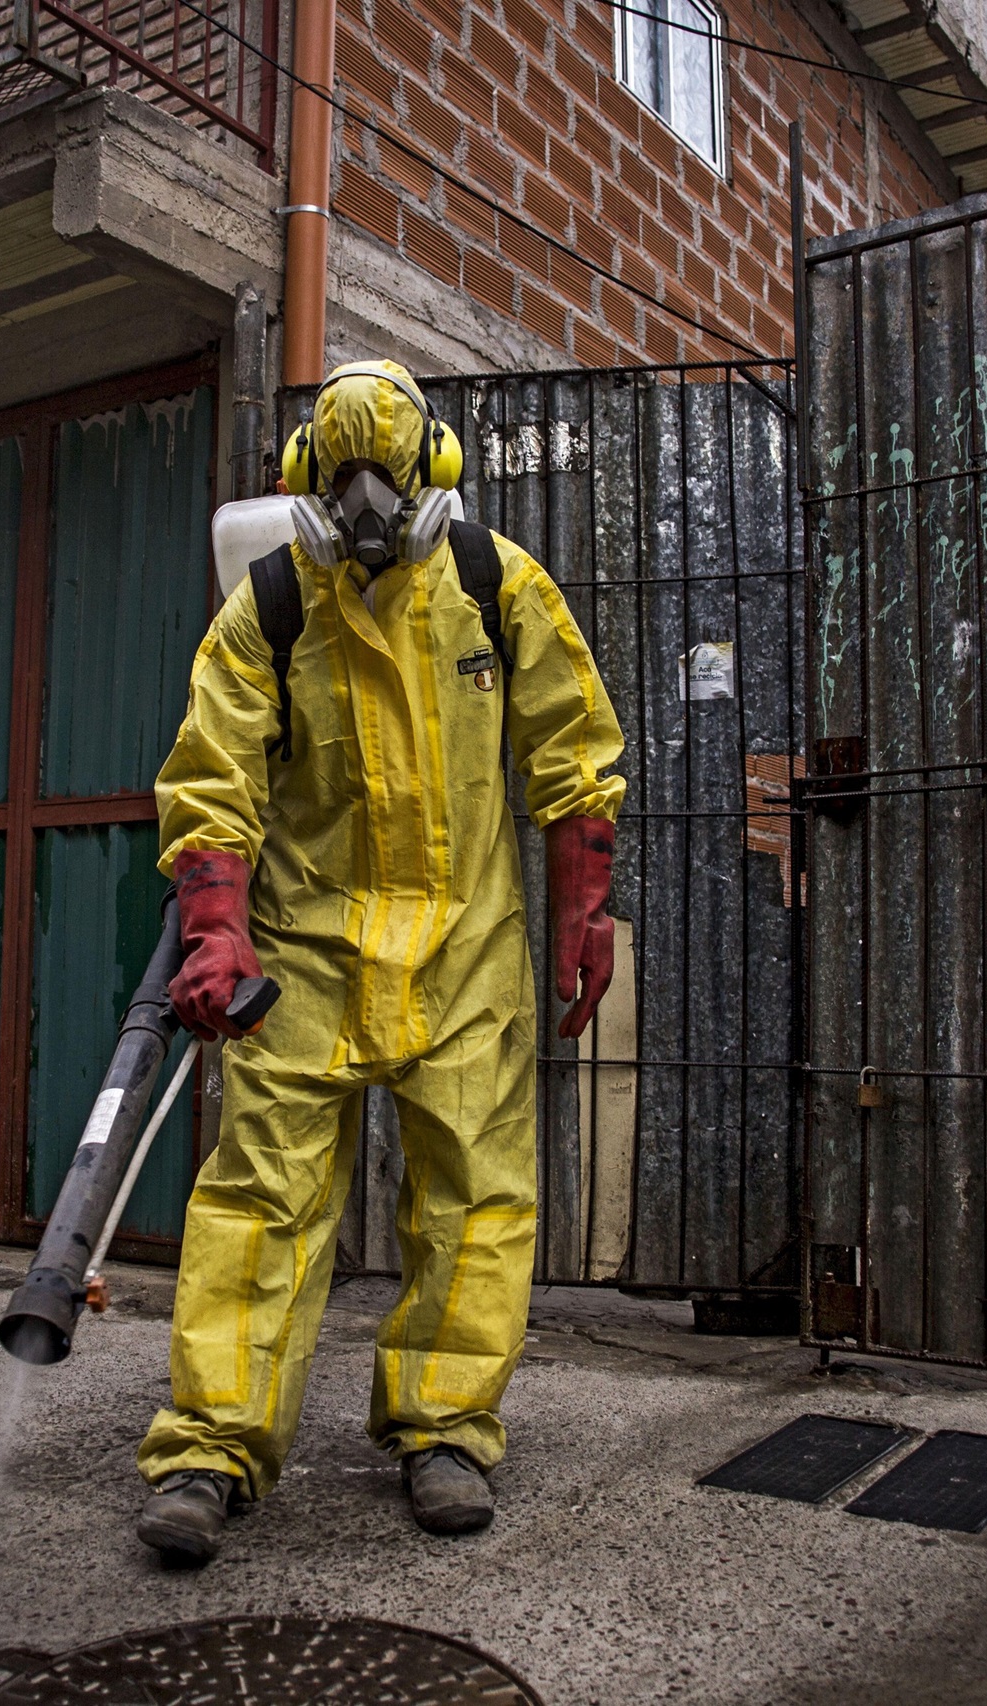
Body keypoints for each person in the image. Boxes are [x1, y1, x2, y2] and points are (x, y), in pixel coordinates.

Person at [133, 359, 625, 1564]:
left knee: (474, 1200)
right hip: (304, 954)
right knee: (260, 1197)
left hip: (461, 953)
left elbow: (570, 743)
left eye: (384, 475)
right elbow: (215, 774)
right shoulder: (268, 604)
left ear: (432, 472)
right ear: (307, 476)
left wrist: (581, 905)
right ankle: (212, 1442)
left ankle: (445, 1427)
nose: (363, 501)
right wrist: (215, 922)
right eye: (342, 474)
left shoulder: (491, 584)